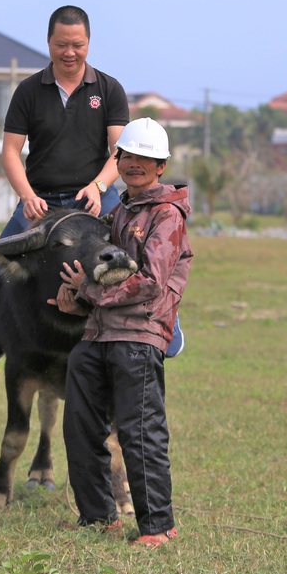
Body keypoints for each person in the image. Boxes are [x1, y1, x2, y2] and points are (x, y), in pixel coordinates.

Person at [0, 5, 129, 395]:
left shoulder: (109, 89)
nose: (69, 52)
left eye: (77, 44)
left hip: (93, 200)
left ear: (88, 43)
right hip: (40, 205)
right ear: (49, 42)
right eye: (61, 44)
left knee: (137, 256)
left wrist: (100, 186)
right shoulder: (28, 91)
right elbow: (9, 152)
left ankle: (166, 326)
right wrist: (26, 196)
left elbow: (121, 150)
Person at [48, 118, 192, 547]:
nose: (134, 164)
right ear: (118, 159)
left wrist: (88, 290)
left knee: (139, 429)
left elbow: (149, 281)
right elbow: (95, 269)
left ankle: (158, 527)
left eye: (144, 158)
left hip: (139, 335)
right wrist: (73, 299)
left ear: (161, 165)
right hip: (97, 334)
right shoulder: (118, 213)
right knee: (80, 425)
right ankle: (98, 516)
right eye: (127, 156)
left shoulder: (167, 215)